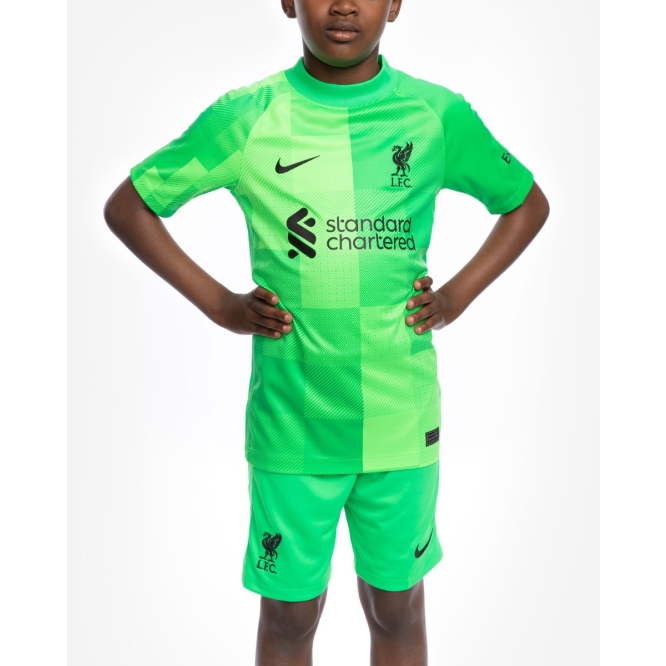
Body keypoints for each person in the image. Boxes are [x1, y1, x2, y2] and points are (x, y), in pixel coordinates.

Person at [104, 0, 550, 663]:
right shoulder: (250, 116)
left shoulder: (434, 115)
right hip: (294, 424)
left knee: (397, 607)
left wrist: (456, 297)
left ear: (395, 4)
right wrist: (220, 306)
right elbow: (131, 206)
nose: (343, 5)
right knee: (289, 616)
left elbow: (525, 204)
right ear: (288, 1)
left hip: (400, 418)